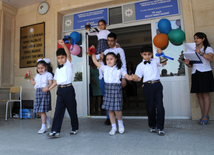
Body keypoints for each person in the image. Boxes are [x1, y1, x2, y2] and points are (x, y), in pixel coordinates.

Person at [43, 40, 79, 138]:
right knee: (58, 110)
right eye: (58, 58)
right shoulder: (58, 69)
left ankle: (75, 128)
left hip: (68, 89)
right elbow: (56, 81)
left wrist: (63, 45)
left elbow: (68, 54)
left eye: (62, 57)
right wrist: (48, 88)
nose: (60, 60)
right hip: (60, 90)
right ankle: (55, 131)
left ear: (66, 58)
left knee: (72, 110)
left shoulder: (68, 64)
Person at [92, 52, 133, 135]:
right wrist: (93, 53)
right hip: (108, 89)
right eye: (107, 59)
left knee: (117, 109)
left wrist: (133, 77)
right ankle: (113, 127)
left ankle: (120, 123)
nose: (109, 61)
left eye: (111, 59)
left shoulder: (120, 69)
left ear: (115, 59)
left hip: (116, 89)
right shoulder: (104, 68)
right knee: (110, 110)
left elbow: (128, 77)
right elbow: (95, 62)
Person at [133, 45, 167, 136]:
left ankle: (160, 127)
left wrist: (161, 54)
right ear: (141, 54)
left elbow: (164, 64)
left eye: (149, 54)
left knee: (160, 107)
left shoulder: (155, 60)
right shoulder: (140, 66)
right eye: (145, 54)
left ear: (152, 54)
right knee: (150, 107)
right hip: (147, 86)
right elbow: (139, 78)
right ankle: (152, 125)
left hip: (157, 85)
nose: (147, 56)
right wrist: (135, 78)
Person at [184, 32, 214, 125]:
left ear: (203, 39)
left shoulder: (207, 48)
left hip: (205, 73)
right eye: (195, 38)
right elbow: (191, 65)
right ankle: (203, 115)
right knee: (199, 95)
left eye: (198, 38)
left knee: (205, 94)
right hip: (195, 73)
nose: (196, 40)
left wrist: (200, 52)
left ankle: (205, 116)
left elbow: (211, 59)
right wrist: (187, 63)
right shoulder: (192, 49)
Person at [27, 58, 53, 134]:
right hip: (38, 92)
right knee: (37, 110)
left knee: (42, 111)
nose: (40, 70)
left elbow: (51, 83)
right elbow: (33, 83)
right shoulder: (37, 75)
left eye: (42, 68)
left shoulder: (48, 74)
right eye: (38, 68)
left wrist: (47, 87)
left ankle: (43, 127)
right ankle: (47, 119)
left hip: (45, 92)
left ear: (46, 67)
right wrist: (31, 76)